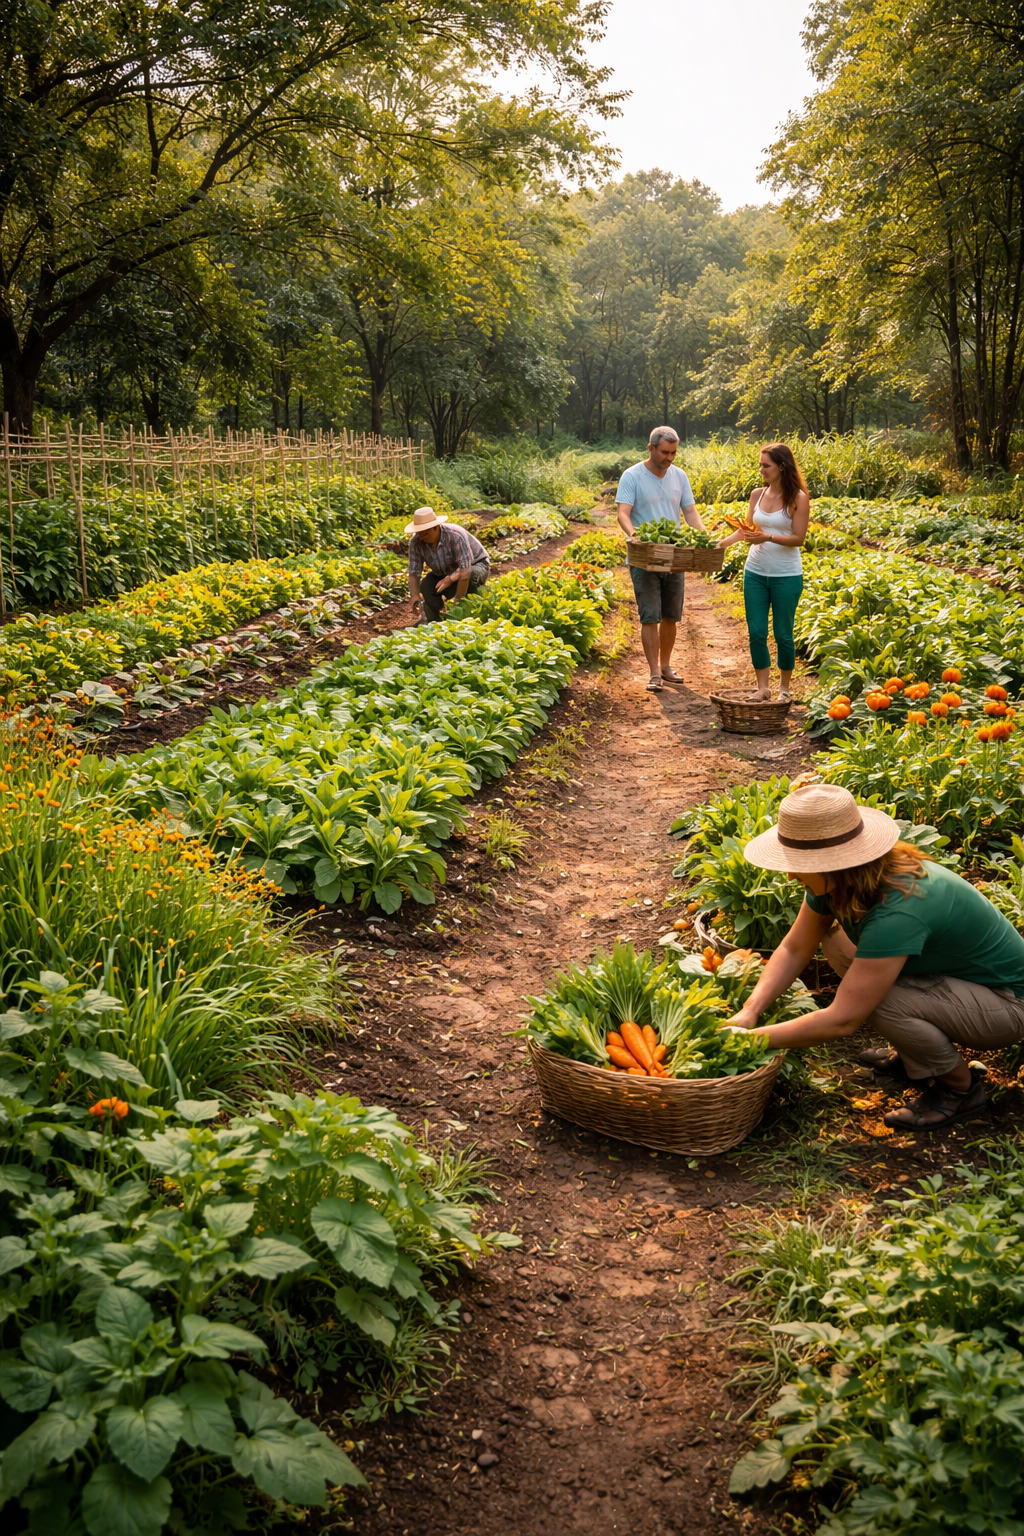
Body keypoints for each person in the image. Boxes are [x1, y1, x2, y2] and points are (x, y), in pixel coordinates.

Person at [719, 782, 1024, 1130]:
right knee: (834, 941)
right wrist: (750, 1011)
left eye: (799, 864)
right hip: (959, 984)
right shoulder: (842, 880)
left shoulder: (900, 906)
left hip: (1009, 1005)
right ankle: (918, 1056)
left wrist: (750, 1040)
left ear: (832, 863)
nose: (790, 873)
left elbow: (843, 1019)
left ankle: (959, 1089)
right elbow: (794, 947)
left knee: (876, 1003)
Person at [615, 427, 709, 692]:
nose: (670, 458)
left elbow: (690, 511)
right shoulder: (632, 476)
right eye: (665, 452)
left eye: (674, 452)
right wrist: (634, 535)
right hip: (644, 556)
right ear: (651, 448)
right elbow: (623, 512)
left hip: (673, 555)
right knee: (650, 616)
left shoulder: (680, 476)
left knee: (670, 615)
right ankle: (654, 673)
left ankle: (666, 666)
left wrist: (704, 538)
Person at [717, 443, 809, 702]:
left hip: (786, 575)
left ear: (782, 466)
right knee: (756, 631)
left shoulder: (798, 498)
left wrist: (767, 536)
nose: (761, 470)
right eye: (760, 465)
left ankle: (784, 689)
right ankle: (762, 688)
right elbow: (748, 530)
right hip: (755, 572)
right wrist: (719, 545)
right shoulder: (757, 495)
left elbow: (798, 538)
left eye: (766, 465)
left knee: (783, 633)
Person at [406, 505, 490, 623]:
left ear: (435, 527)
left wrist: (458, 601)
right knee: (426, 585)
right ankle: (437, 619)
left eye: (425, 533)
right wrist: (414, 596)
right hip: (444, 571)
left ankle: (468, 612)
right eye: (419, 533)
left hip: (475, 565)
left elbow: (464, 572)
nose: (422, 537)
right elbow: (414, 573)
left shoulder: (455, 535)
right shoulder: (416, 542)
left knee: (471, 577)